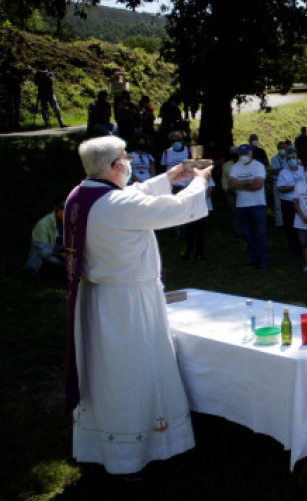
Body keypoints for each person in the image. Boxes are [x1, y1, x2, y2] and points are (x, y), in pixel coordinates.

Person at [66, 135, 210, 476]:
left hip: (100, 298)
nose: (130, 161)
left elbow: (130, 197)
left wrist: (169, 178)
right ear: (117, 166)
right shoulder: (115, 206)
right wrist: (199, 182)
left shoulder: (81, 195)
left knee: (107, 373)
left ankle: (108, 444)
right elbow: (177, 210)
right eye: (126, 157)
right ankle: (132, 453)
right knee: (132, 372)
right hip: (128, 303)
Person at [230, 144, 269, 268]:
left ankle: (263, 260)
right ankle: (253, 259)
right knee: (248, 235)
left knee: (260, 234)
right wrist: (247, 182)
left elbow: (257, 186)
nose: (244, 156)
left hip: (257, 204)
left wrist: (240, 184)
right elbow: (231, 185)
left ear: (251, 153)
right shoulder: (235, 167)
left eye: (246, 153)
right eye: (242, 154)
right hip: (242, 205)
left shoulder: (259, 166)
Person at [24, 196, 66, 279]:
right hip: (43, 263)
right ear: (56, 207)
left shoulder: (72, 223)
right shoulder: (43, 224)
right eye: (63, 208)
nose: (66, 211)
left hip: (63, 260)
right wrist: (61, 255)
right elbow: (43, 252)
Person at [276, 147, 306, 255]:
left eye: (293, 157)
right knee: (290, 226)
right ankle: (293, 248)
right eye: (289, 158)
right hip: (288, 202)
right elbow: (280, 188)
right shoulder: (283, 173)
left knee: (302, 224)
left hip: (302, 201)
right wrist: (293, 187)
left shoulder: (303, 170)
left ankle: (304, 246)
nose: (291, 160)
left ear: (297, 158)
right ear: (286, 160)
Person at [184, 170, 214, 261]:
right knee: (190, 231)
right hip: (190, 208)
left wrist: (200, 198)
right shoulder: (186, 175)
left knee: (200, 232)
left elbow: (210, 188)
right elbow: (183, 188)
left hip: (203, 207)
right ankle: (189, 252)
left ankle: (199, 253)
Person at [33, 63, 65, 129]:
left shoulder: (49, 73)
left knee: (56, 108)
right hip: (42, 93)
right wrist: (41, 77)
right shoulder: (38, 74)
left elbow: (52, 79)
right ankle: (47, 124)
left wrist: (47, 76)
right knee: (44, 109)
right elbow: (36, 82)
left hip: (50, 93)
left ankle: (61, 122)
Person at [220, 146, 241, 236]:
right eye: (232, 153)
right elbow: (224, 179)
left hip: (243, 192)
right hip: (231, 192)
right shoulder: (226, 165)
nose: (234, 154)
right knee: (234, 212)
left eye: (236, 152)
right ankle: (237, 230)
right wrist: (227, 189)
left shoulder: (244, 163)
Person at [1, 58, 24, 129]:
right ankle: (10, 123)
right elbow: (4, 79)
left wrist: (15, 77)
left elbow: (21, 79)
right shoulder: (6, 70)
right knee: (10, 107)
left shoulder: (18, 69)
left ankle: (17, 123)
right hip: (9, 90)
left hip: (17, 90)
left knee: (17, 108)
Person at [271, 141, 289, 227]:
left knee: (288, 202)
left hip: (287, 182)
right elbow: (275, 171)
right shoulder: (274, 158)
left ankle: (288, 221)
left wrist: (281, 170)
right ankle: (279, 223)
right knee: (277, 204)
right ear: (278, 149)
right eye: (281, 148)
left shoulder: (289, 159)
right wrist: (284, 171)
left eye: (284, 148)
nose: (283, 149)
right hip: (277, 182)